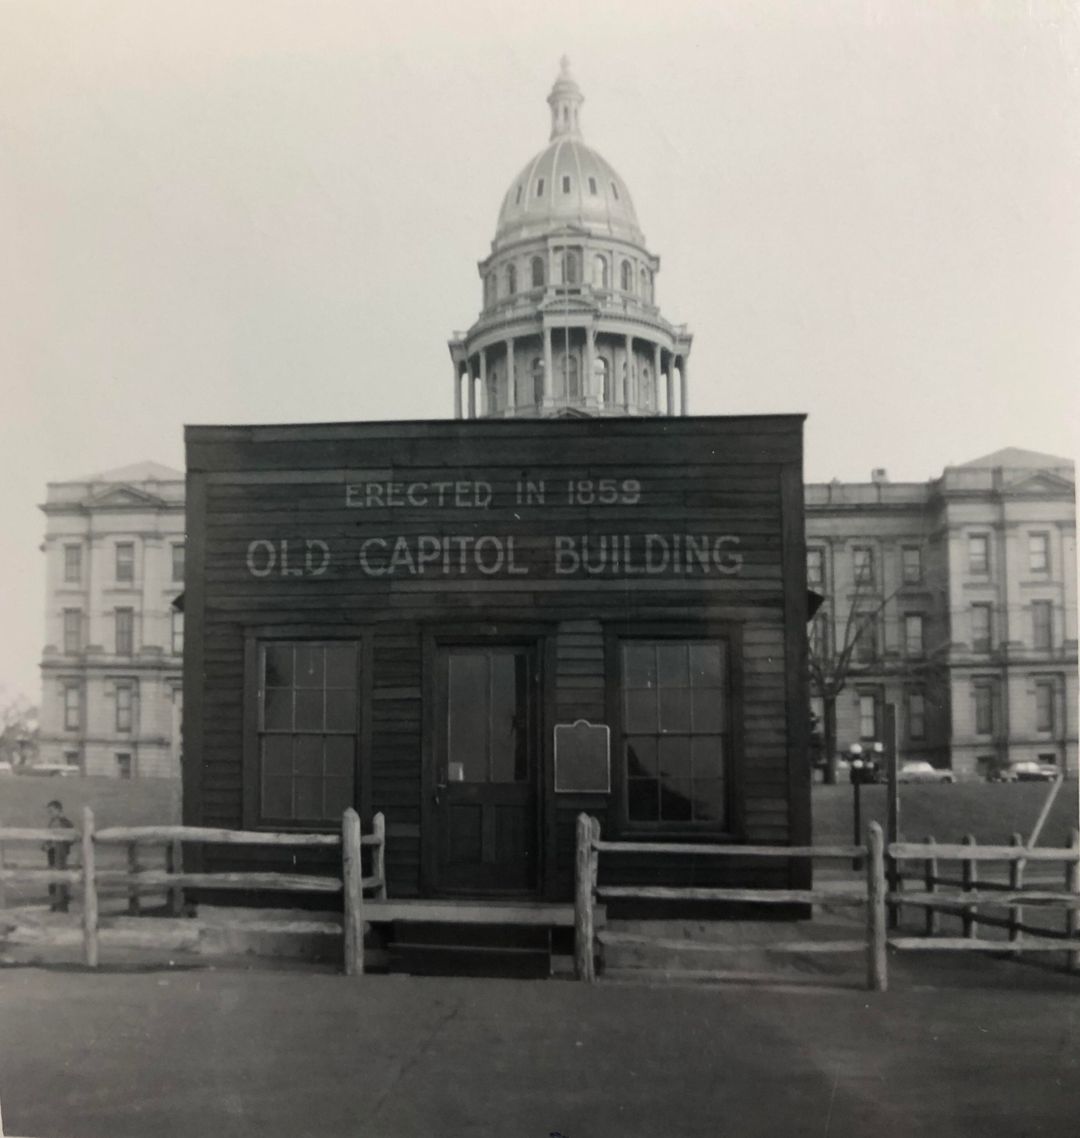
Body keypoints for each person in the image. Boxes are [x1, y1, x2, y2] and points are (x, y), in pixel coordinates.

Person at [43, 799, 74, 912]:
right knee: (52, 879)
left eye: (51, 811)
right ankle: (53, 905)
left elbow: (71, 839)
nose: (50, 814)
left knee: (61, 879)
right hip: (51, 855)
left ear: (58, 810)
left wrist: (57, 845)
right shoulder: (52, 822)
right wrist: (46, 845)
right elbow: (48, 838)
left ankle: (63, 905)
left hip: (61, 856)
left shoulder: (66, 823)